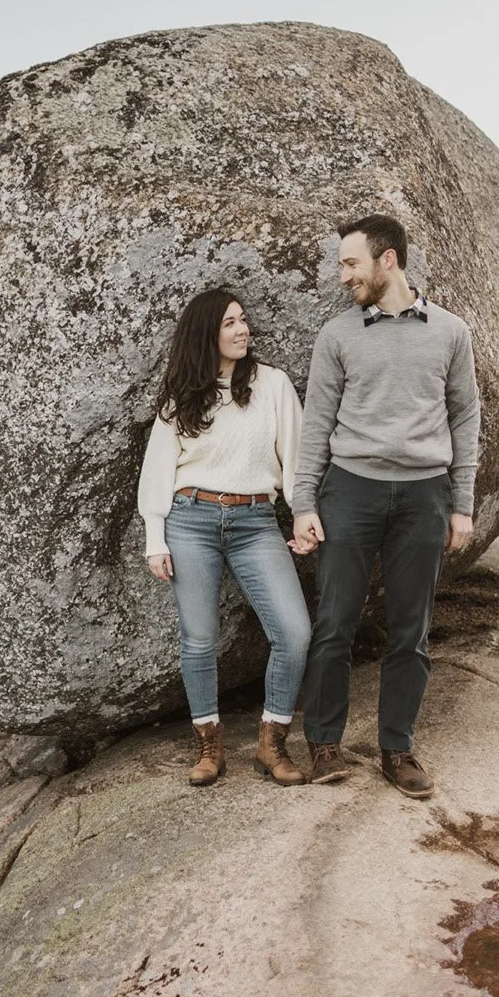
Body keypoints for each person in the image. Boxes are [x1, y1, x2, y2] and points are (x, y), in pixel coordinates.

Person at [290, 214, 480, 798]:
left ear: (388, 260)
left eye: (351, 263)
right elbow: (316, 423)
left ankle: (397, 751)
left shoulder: (451, 332)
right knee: (333, 624)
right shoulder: (338, 336)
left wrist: (462, 503)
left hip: (425, 494)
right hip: (350, 489)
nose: (342, 275)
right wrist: (303, 502)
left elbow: (466, 416)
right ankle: (324, 744)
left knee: (411, 630)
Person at [137, 288, 313, 788]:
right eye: (229, 324)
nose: (242, 330)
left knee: (295, 633)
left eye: (243, 320)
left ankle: (271, 741)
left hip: (256, 521)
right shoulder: (181, 396)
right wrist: (156, 535)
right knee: (198, 639)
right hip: (189, 521)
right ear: (206, 335)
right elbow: (158, 468)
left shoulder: (273, 385)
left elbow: (296, 459)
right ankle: (209, 746)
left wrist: (302, 513)